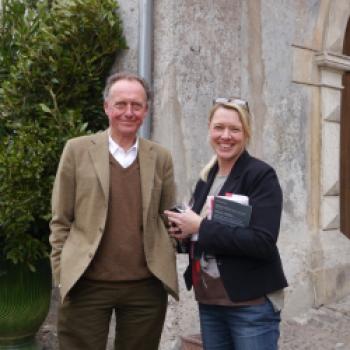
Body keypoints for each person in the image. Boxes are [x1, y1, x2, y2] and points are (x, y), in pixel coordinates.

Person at [49, 72, 178, 350]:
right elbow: (60, 220)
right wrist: (62, 273)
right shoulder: (77, 150)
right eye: (121, 104)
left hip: (145, 288)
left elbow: (168, 218)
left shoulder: (161, 157)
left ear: (146, 110)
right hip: (87, 284)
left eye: (137, 105)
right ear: (106, 107)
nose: (128, 112)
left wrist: (168, 250)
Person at [165, 97, 288, 350]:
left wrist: (200, 226)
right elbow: (203, 235)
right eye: (219, 127)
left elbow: (262, 242)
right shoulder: (206, 177)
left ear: (246, 133)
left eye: (235, 129)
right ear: (209, 129)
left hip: (251, 304)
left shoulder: (260, 175)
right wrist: (183, 234)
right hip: (211, 303)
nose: (226, 136)